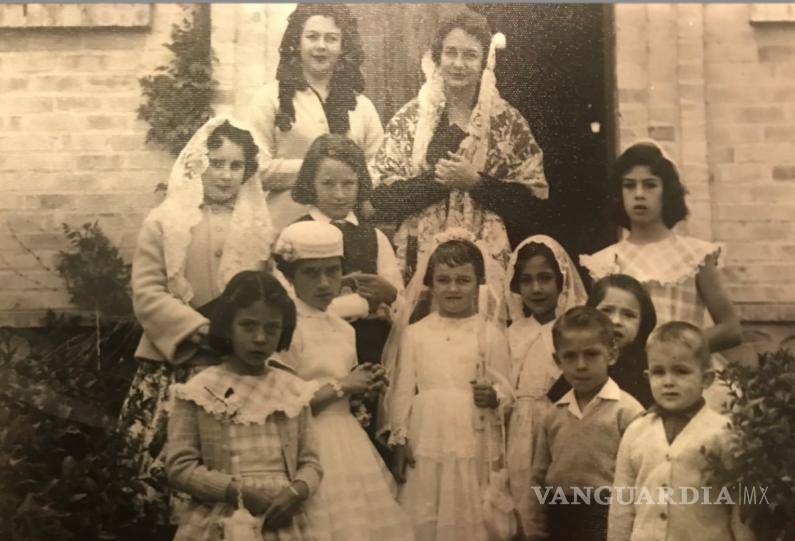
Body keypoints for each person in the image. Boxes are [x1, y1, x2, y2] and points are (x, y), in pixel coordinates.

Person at [119, 116, 274, 521]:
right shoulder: (165, 221)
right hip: (177, 362)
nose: (225, 175)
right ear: (197, 164)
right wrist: (198, 329)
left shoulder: (258, 226)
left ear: (247, 171)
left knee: (229, 471)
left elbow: (267, 293)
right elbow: (147, 292)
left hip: (233, 364)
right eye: (216, 163)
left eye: (236, 166)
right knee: (173, 465)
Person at [371, 7, 548, 288]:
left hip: (486, 258)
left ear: (484, 61)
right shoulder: (410, 119)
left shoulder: (506, 121)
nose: (458, 64)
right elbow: (382, 199)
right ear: (437, 57)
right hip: (422, 256)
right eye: (450, 53)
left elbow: (533, 202)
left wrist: (476, 183)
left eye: (469, 55)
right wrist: (439, 182)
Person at [273, 221, 413, 541]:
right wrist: (345, 385)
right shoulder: (284, 326)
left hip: (346, 441)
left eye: (332, 271)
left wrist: (365, 384)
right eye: (311, 273)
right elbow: (283, 405)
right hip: (303, 444)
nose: (324, 283)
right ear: (290, 276)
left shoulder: (344, 328)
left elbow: (345, 390)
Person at [166, 271, 325, 541]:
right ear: (228, 326)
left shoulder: (293, 389)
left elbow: (311, 462)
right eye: (248, 326)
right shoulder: (200, 390)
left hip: (281, 517)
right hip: (223, 519)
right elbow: (180, 467)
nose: (260, 338)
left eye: (271, 328)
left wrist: (297, 491)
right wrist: (234, 491)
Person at [385, 228, 513, 540]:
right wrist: (399, 438)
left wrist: (493, 395)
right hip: (426, 433)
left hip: (473, 435)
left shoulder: (490, 334)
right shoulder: (415, 333)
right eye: (443, 280)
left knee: (468, 508)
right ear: (430, 283)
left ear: (478, 284)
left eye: (463, 280)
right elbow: (402, 390)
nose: (453, 288)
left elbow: (507, 391)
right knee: (426, 507)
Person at [291, 134, 404, 450]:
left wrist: (389, 295)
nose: (339, 194)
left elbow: (398, 300)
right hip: (319, 354)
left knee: (370, 435)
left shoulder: (374, 237)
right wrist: (361, 304)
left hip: (370, 350)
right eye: (328, 184)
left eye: (348, 184)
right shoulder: (295, 234)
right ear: (311, 183)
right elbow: (292, 303)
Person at [580, 141, 742, 352]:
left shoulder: (696, 256)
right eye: (629, 185)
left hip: (684, 366)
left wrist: (677, 348)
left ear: (666, 192)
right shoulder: (604, 263)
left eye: (650, 185)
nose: (639, 194)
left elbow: (731, 329)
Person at [608, 322, 754, 541]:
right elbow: (622, 505)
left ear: (706, 379)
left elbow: (741, 506)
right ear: (648, 377)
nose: (668, 382)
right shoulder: (636, 431)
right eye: (659, 372)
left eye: (681, 371)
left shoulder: (723, 432)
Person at [243, 3, 384, 230]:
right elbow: (253, 167)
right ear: (297, 42)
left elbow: (378, 167)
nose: (321, 46)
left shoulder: (363, 107)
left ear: (343, 47)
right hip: (285, 227)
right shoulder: (268, 99)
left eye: (331, 39)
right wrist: (314, 170)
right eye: (312, 37)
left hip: (347, 229)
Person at [525, 307, 644, 541]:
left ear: (611, 355)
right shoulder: (553, 415)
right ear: (557, 360)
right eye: (570, 356)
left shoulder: (628, 412)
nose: (580, 365)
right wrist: (535, 531)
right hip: (559, 519)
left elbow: (639, 480)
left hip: (607, 520)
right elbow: (538, 478)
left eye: (591, 354)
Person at [502, 235, 587, 538]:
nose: (536, 289)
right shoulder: (512, 333)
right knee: (522, 504)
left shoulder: (571, 330)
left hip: (560, 426)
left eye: (545, 278)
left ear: (561, 280)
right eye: (526, 280)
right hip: (519, 430)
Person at [548, 274, 657, 408]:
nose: (616, 321)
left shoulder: (649, 372)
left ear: (643, 322)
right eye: (606, 311)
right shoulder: (578, 368)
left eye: (629, 315)